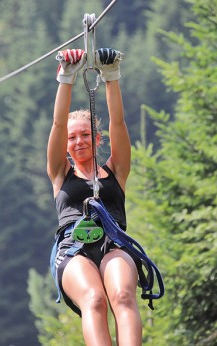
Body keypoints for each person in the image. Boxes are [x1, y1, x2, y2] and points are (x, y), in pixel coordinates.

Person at [47, 47, 142, 346]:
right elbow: (58, 125)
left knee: (123, 297)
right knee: (94, 299)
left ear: (97, 138)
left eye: (86, 135)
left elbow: (118, 124)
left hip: (113, 243)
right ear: (65, 145)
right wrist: (66, 79)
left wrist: (111, 77)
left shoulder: (116, 171)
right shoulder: (61, 172)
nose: (78, 142)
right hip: (74, 247)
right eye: (72, 138)